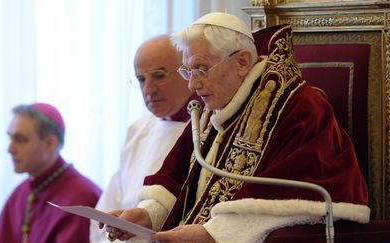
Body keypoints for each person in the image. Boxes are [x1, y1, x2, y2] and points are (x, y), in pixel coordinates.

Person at [102, 12, 371, 243]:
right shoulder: (213, 108)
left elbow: (307, 195)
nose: (192, 85)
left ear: (242, 62)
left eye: (201, 69)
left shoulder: (298, 108)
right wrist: (148, 214)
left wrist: (216, 234)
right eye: (187, 71)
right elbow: (176, 178)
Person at [89, 34, 199, 242]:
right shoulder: (137, 130)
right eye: (141, 79)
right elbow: (106, 211)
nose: (148, 89)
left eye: (159, 75)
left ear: (188, 72)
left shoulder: (206, 130)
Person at [0, 103, 102, 243]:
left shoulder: (82, 198)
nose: (10, 149)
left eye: (20, 139)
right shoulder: (20, 193)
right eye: (10, 138)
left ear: (50, 144)